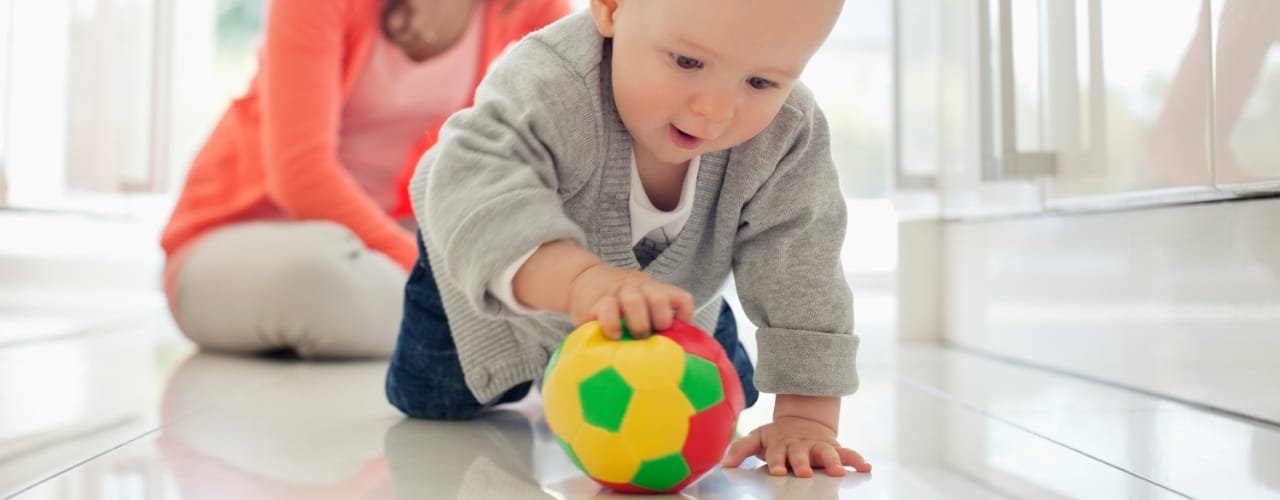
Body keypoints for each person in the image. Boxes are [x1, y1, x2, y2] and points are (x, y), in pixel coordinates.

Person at [386, 0, 873, 478]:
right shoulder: (549, 81)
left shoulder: (787, 133)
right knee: (434, 403)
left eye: (762, 82)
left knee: (728, 399)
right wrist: (580, 283)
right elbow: (478, 180)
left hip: (667, 290)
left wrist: (805, 417)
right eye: (687, 61)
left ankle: (681, 311)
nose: (714, 110)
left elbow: (802, 259)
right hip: (484, 260)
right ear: (612, 8)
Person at [160, 0, 570, 359]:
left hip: (377, 235)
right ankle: (490, 332)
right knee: (319, 277)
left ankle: (477, 330)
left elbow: (576, 100)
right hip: (239, 237)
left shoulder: (525, 5)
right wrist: (436, 270)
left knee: (512, 256)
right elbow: (301, 178)